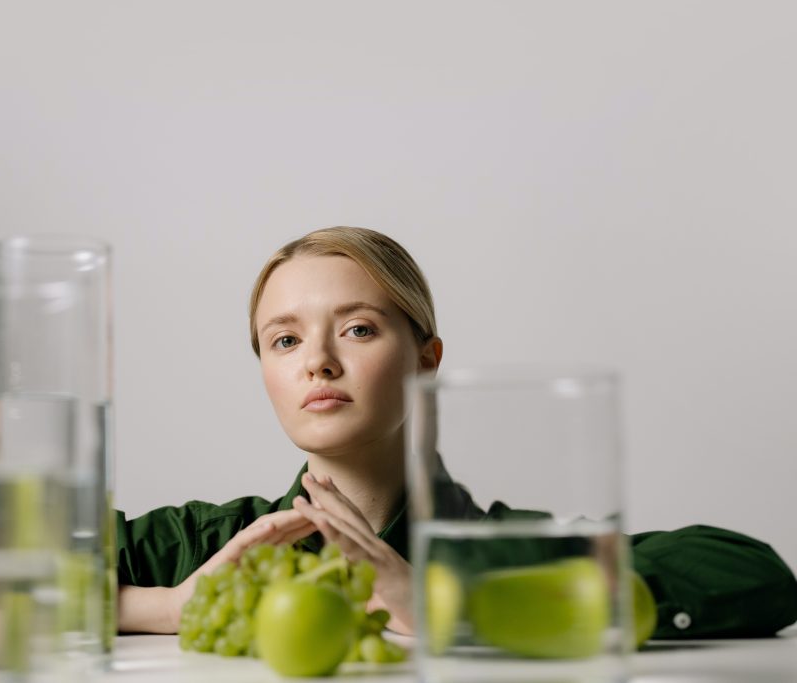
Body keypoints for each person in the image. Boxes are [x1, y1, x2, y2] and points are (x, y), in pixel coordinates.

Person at [115, 226, 797, 640]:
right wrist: (168, 604)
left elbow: (756, 575)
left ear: (425, 360)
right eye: (284, 339)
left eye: (357, 328)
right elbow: (15, 566)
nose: (317, 360)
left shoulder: (503, 552)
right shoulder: (209, 548)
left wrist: (452, 604)